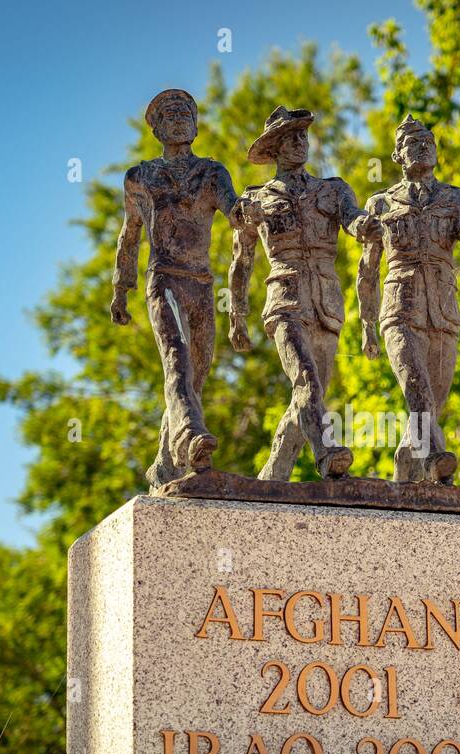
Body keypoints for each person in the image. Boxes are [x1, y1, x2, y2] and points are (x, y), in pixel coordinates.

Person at [229, 106, 373, 480]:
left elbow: (353, 218)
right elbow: (241, 261)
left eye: (303, 135)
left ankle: (273, 474)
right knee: (306, 381)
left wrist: (366, 227)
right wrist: (237, 316)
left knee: (307, 398)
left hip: (326, 300)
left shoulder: (333, 189)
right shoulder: (254, 199)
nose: (299, 142)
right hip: (285, 298)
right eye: (290, 137)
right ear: (273, 148)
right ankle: (326, 452)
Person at [110, 89, 241, 488]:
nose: (180, 117)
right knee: (177, 360)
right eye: (170, 113)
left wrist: (251, 210)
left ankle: (164, 467)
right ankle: (190, 438)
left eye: (187, 111)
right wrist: (121, 287)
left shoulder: (212, 172)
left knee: (195, 375)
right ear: (156, 128)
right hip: (163, 279)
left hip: (201, 285)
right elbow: (129, 236)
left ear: (197, 124)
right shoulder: (140, 177)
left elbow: (234, 211)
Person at [357, 116, 460, 483]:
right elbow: (367, 270)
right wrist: (367, 325)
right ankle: (435, 460)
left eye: (429, 142)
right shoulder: (381, 203)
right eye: (413, 144)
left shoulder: (454, 197)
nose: (423, 148)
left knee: (434, 400)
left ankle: (405, 471)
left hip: (443, 310)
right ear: (397, 155)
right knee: (417, 389)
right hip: (400, 308)